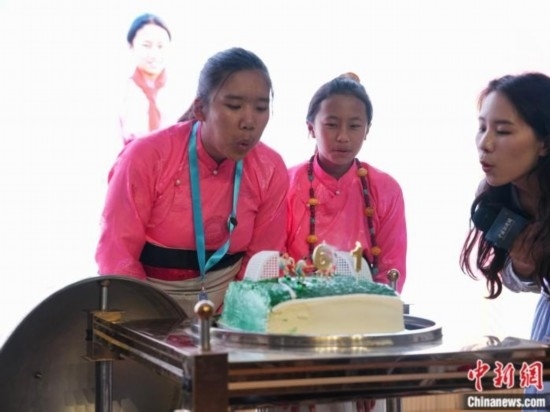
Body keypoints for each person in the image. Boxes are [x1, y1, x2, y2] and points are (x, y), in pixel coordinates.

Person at [96, 47, 289, 317]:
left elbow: (261, 265)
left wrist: (231, 322)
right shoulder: (145, 157)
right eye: (234, 106)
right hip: (147, 308)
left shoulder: (270, 168)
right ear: (200, 108)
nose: (249, 122)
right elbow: (118, 255)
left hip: (231, 310)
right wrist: (149, 322)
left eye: (261, 108)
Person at [460, 72, 550, 410]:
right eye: (482, 127)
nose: (485, 143)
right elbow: (512, 275)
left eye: (503, 131)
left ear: (545, 143)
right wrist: (524, 269)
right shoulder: (494, 196)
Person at [285, 73, 407, 293]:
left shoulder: (385, 190)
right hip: (295, 304)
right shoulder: (287, 184)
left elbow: (391, 272)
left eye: (354, 126)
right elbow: (274, 262)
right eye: (332, 125)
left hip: (364, 307)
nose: (343, 137)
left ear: (367, 130)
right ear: (311, 128)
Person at [118, 13, 183, 145]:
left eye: (160, 46)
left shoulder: (183, 91)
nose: (154, 54)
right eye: (146, 45)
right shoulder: (120, 92)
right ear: (130, 46)